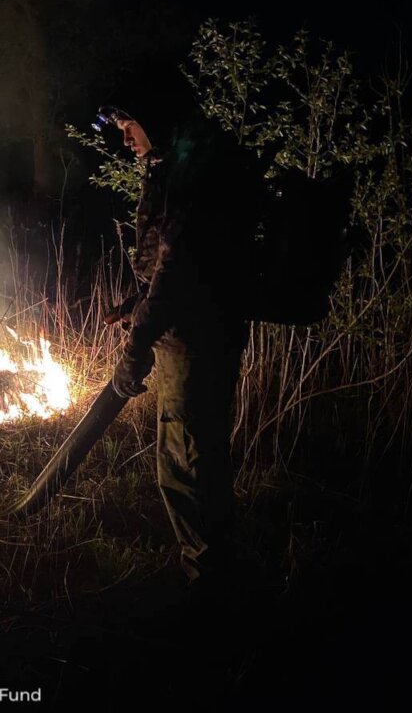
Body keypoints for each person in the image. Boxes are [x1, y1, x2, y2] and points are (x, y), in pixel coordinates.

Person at [95, 101, 265, 587]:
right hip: (206, 331)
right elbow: (176, 268)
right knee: (202, 453)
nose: (128, 140)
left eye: (132, 127)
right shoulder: (181, 174)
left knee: (187, 464)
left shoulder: (191, 181)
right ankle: (217, 569)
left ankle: (208, 585)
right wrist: (135, 304)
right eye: (123, 131)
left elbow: (176, 273)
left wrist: (135, 347)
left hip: (193, 342)